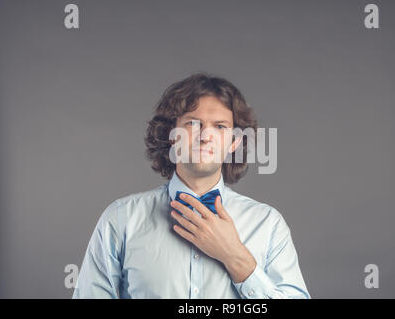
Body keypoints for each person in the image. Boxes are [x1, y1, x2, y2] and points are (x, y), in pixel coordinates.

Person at [72, 73, 310, 299]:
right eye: (193, 123)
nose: (205, 136)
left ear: (234, 142)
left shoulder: (268, 224)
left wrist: (235, 258)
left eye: (220, 127)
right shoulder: (120, 219)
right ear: (172, 135)